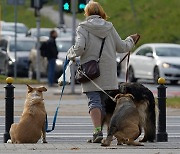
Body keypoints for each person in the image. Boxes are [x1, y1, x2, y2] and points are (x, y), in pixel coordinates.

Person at [67, 1, 140, 143]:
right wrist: (131, 39)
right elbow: (122, 46)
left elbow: (80, 47)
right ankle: (103, 132)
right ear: (101, 12)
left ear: (87, 13)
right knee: (103, 103)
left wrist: (70, 53)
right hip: (107, 71)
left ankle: (97, 131)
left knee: (93, 101)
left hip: (90, 71)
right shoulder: (109, 27)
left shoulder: (83, 28)